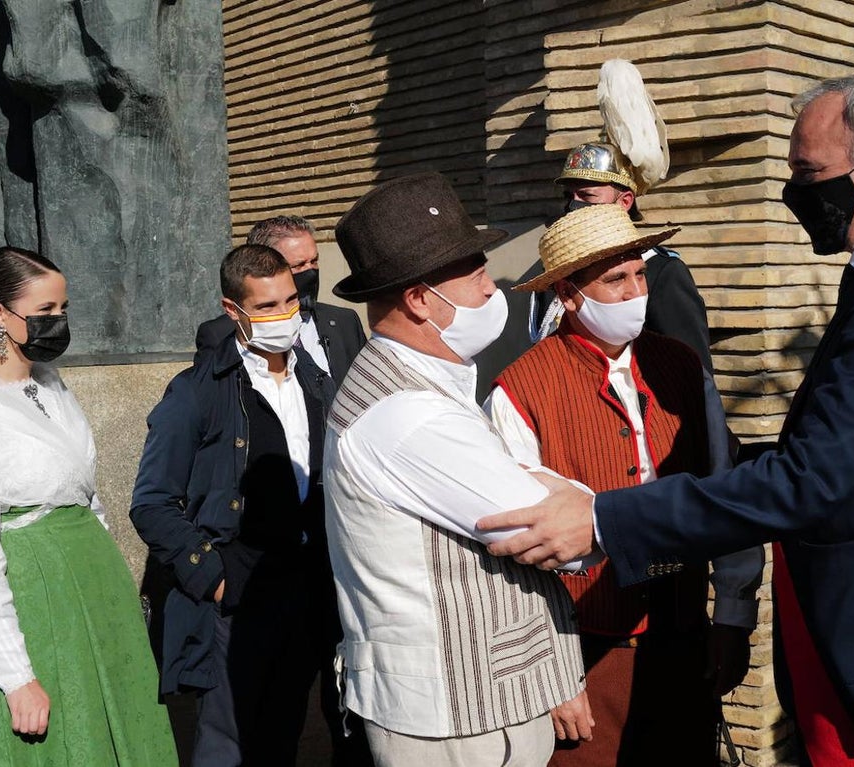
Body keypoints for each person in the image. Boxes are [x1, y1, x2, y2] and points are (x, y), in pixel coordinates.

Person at [479, 68, 854, 766]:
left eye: (807, 170)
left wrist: (605, 518)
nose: (795, 192)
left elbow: (812, 477)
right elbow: (853, 445)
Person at [324, 170, 588, 767]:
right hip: (458, 718)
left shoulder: (418, 383)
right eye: (474, 274)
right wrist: (559, 487)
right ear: (421, 299)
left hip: (474, 707)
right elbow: (564, 539)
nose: (493, 287)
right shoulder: (409, 415)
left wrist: (536, 479)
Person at [486, 203, 763, 766]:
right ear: (568, 295)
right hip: (587, 649)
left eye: (640, 273)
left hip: (683, 631)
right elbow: (513, 555)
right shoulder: (520, 388)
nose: (636, 291)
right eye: (615, 280)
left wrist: (733, 615)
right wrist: (554, 673)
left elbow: (723, 492)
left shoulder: (681, 366)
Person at [0, 246, 177, 765]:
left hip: (86, 608)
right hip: (26, 611)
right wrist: (15, 676)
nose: (58, 322)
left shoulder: (47, 385)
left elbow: (82, 496)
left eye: (63, 309)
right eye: (45, 312)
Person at [131, 244, 346, 766]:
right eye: (267, 307)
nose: (285, 316)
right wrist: (213, 575)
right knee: (227, 742)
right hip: (239, 589)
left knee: (283, 732)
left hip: (308, 584)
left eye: (291, 301)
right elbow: (152, 502)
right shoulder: (196, 392)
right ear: (234, 311)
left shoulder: (317, 380)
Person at [524, 59, 714, 373]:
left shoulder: (661, 272)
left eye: (586, 196)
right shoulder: (553, 272)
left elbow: (693, 376)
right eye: (568, 196)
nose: (573, 206)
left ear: (624, 201)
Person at [195, 215, 366, 380]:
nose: (311, 272)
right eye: (298, 265)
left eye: (314, 261)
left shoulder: (345, 322)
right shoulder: (220, 334)